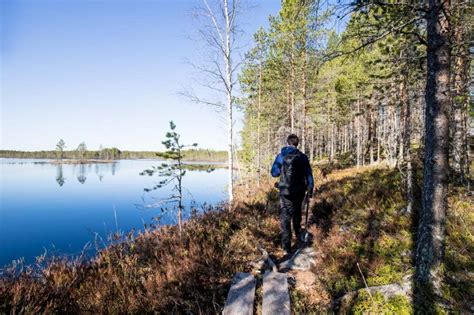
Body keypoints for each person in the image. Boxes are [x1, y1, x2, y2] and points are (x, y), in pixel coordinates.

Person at [271, 134, 314, 255]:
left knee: (285, 217)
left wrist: (281, 170)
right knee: (297, 211)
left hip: (285, 191)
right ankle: (298, 233)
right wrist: (310, 188)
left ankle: (286, 247)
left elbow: (274, 173)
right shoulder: (303, 157)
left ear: (287, 142)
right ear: (297, 144)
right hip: (300, 190)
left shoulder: (281, 156)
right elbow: (309, 174)